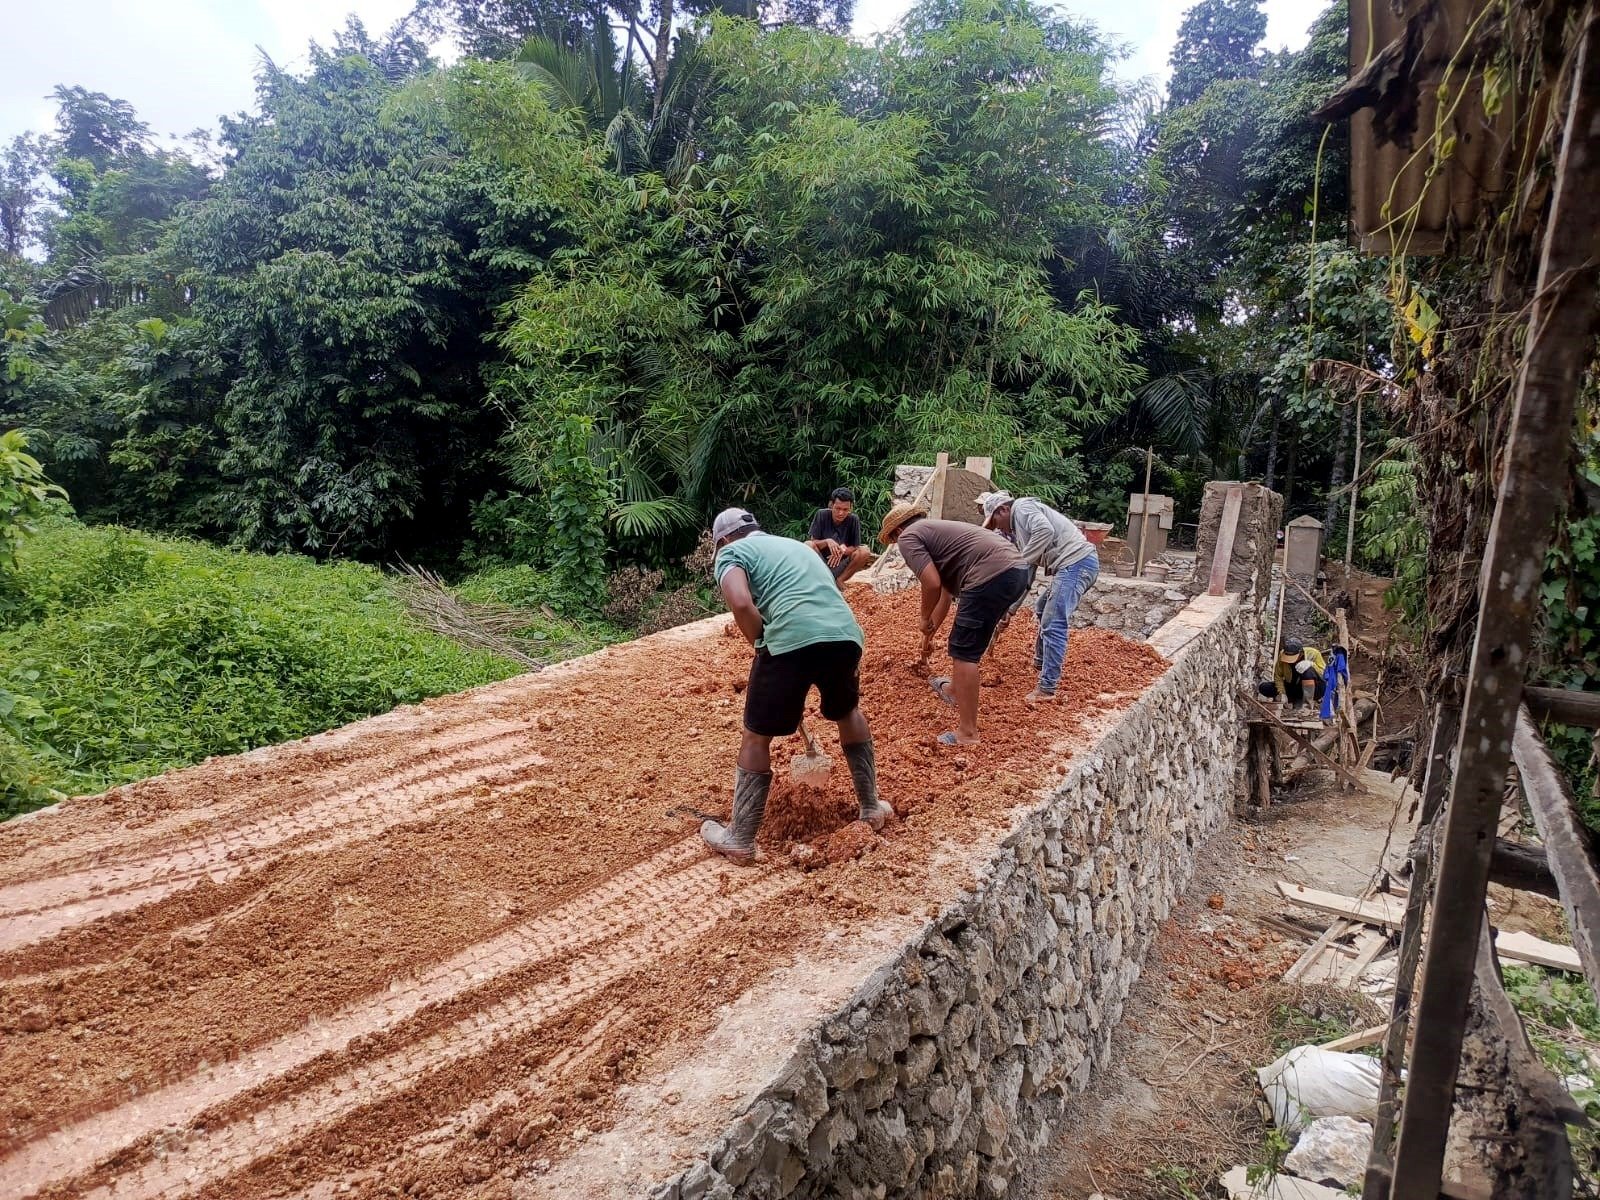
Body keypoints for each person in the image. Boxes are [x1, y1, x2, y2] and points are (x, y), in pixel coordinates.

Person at [702, 507, 893, 863]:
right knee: (847, 711)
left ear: (724, 540)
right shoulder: (798, 546)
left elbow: (741, 602)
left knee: (757, 735)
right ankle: (871, 807)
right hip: (844, 634)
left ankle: (740, 838)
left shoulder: (732, 552)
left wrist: (761, 641)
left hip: (791, 638)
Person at [878, 503, 1030, 747]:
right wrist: (929, 633)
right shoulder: (938, 534)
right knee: (964, 642)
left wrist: (923, 616)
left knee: (964, 652)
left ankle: (967, 733)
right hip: (1016, 572)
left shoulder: (908, 537)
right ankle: (954, 690)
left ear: (896, 533)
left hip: (990, 575)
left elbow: (931, 584)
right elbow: (946, 595)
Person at [979, 491, 1100, 707]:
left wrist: (1023, 560)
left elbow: (1045, 530)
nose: (997, 528)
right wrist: (1010, 610)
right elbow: (1027, 576)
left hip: (1077, 563)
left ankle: (1047, 688)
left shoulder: (1023, 507)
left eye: (995, 520)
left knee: (1053, 623)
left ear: (1004, 509)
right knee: (1043, 606)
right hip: (1073, 565)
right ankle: (1041, 661)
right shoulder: (1022, 531)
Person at [806, 487, 874, 585]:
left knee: (864, 551)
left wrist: (842, 551)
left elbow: (855, 547)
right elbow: (813, 542)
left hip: (840, 564)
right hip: (821, 564)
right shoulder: (821, 514)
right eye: (837, 508)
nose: (841, 513)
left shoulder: (853, 519)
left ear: (850, 508)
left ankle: (840, 581)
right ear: (831, 505)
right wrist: (827, 541)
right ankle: (818, 579)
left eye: (845, 509)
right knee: (808, 545)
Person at [1258, 638, 1327, 711]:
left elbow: (1324, 674)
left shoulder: (1314, 653)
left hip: (1315, 689)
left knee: (1308, 671)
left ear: (1300, 653)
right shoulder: (1282, 655)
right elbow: (1278, 676)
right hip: (1294, 687)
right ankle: (1292, 700)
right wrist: (1282, 693)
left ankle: (1307, 704)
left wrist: (1312, 664)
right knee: (1264, 687)